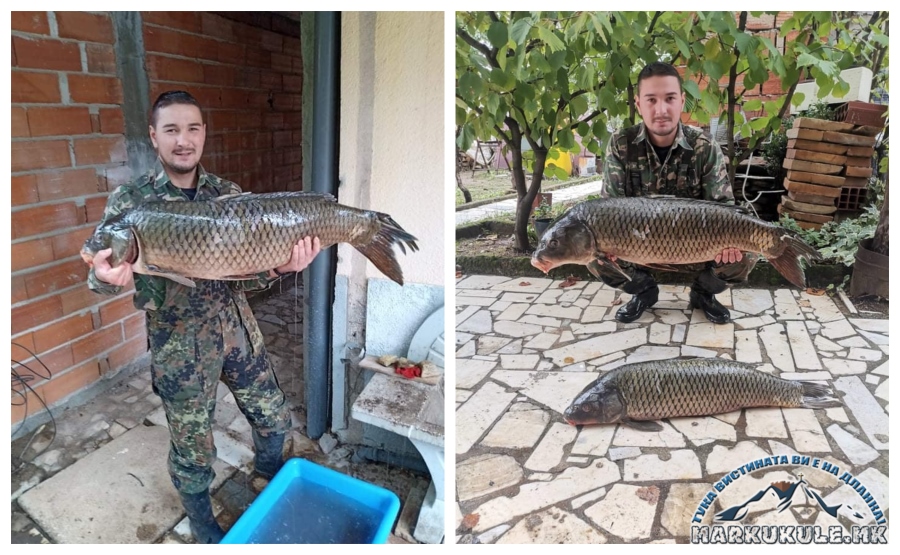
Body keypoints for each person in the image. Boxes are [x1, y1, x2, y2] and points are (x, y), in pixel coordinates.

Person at [86, 90, 321, 543]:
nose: (183, 140)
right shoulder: (132, 202)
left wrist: (280, 268)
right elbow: (100, 270)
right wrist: (103, 278)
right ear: (154, 136)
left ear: (203, 134)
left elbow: (246, 275)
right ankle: (201, 521)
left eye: (192, 128)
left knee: (274, 418)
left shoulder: (227, 195)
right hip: (179, 345)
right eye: (171, 130)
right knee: (193, 448)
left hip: (237, 329)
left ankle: (267, 478)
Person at [600, 62, 757, 324]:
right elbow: (608, 211)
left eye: (670, 98)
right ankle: (643, 291)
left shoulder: (704, 146)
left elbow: (724, 208)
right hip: (637, 248)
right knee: (594, 255)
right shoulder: (621, 144)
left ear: (682, 101)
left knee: (746, 254)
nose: (661, 109)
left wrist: (730, 245)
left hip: (696, 248)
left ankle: (703, 293)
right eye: (651, 100)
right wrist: (608, 244)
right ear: (638, 104)